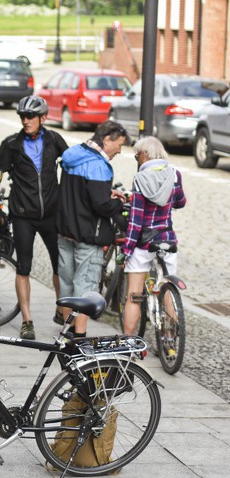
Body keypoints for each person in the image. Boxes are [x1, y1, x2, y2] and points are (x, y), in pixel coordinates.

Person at [0, 95, 69, 340]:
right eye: (22, 116)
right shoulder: (11, 144)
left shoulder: (54, 140)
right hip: (23, 215)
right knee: (24, 266)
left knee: (61, 266)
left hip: (51, 215)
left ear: (43, 118)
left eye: (30, 116)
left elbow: (72, 164)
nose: (26, 120)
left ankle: (63, 314)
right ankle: (27, 320)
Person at [57, 120, 128, 337]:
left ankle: (67, 331)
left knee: (66, 283)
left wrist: (105, 194)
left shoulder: (74, 154)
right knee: (85, 286)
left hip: (65, 230)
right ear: (107, 139)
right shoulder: (98, 164)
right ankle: (79, 336)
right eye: (119, 144)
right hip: (88, 234)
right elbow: (101, 205)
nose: (120, 150)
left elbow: (82, 193)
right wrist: (118, 202)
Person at [122, 136, 187, 335]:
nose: (137, 159)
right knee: (167, 287)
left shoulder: (140, 179)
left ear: (145, 154)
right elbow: (181, 202)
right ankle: (169, 342)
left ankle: (129, 343)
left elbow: (136, 220)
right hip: (167, 238)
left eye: (137, 155)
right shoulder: (174, 175)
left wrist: (127, 249)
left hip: (144, 243)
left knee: (134, 294)